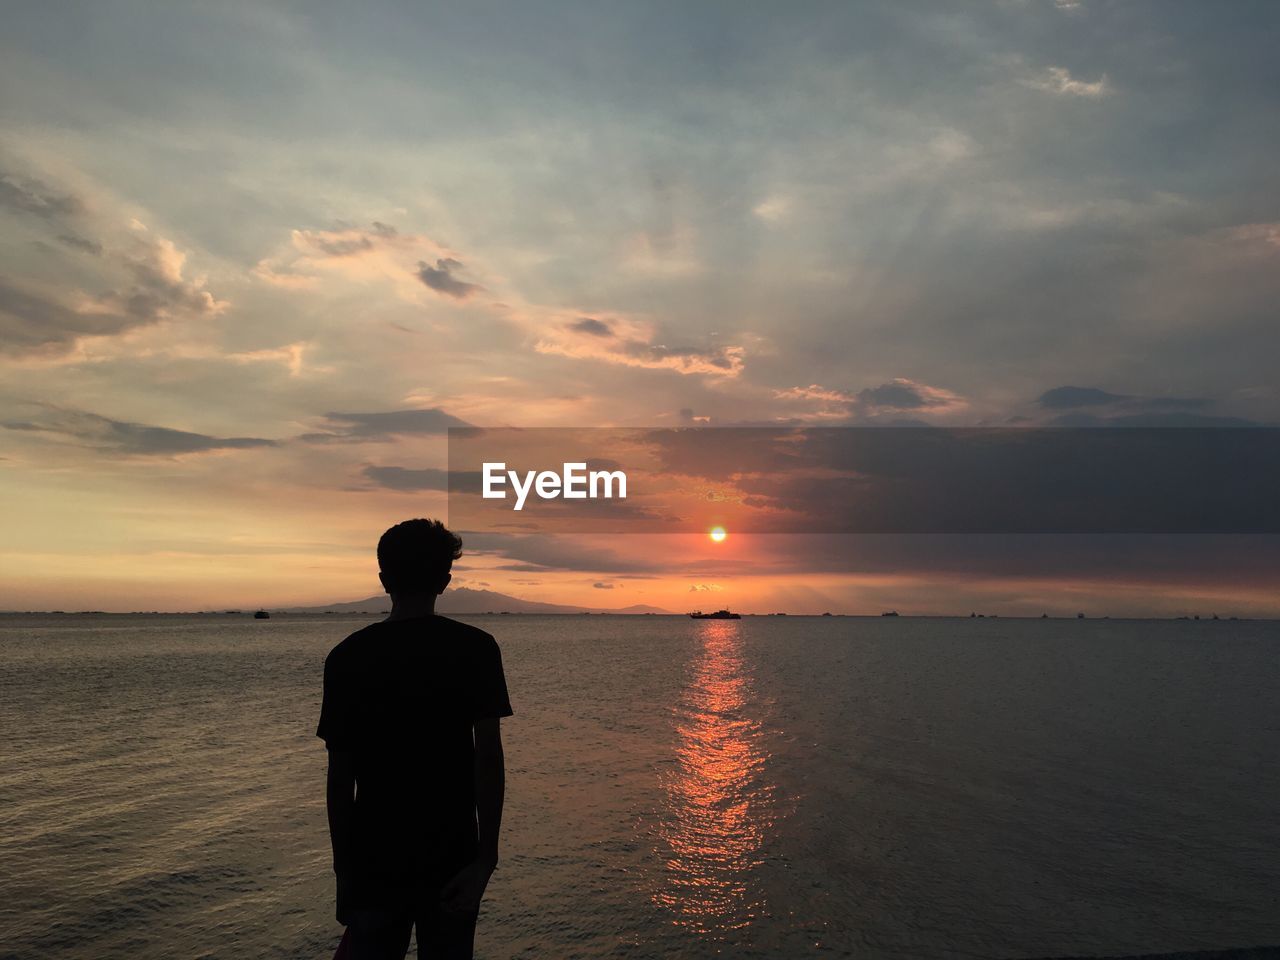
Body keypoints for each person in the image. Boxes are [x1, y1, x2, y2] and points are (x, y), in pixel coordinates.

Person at [318, 519, 513, 959]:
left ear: (384, 579)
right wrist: (487, 857)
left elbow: (339, 775)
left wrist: (342, 869)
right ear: (446, 581)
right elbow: (489, 759)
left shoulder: (348, 657)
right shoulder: (476, 649)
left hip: (372, 862)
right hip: (453, 856)